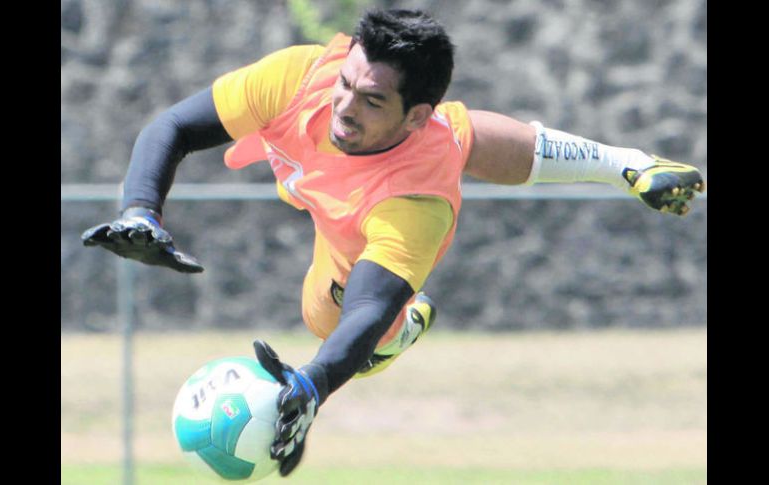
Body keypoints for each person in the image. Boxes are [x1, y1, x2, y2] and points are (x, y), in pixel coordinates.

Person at [81, 8, 705, 477]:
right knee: (466, 135)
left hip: (376, 203)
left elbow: (367, 308)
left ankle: (624, 167)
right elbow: (172, 126)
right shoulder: (303, 76)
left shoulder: (416, 202)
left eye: (371, 100)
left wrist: (312, 386)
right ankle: (630, 164)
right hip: (351, 187)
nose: (344, 107)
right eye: (347, 82)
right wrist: (142, 211)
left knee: (335, 318)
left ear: (413, 115)